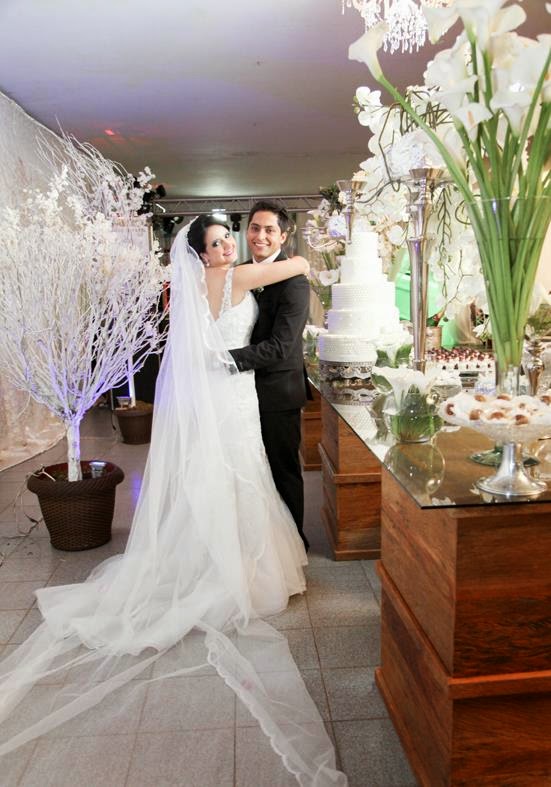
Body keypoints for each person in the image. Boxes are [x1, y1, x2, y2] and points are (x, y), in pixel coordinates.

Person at [0, 215, 346, 787]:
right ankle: (242, 570)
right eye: (218, 241)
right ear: (202, 254)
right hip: (231, 393)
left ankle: (217, 558)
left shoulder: (193, 287)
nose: (228, 245)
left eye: (228, 237)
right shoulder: (235, 278)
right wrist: (297, 255)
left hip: (218, 390)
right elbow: (301, 264)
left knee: (224, 475)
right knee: (241, 473)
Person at [229, 200, 311, 551]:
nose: (260, 236)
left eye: (269, 230)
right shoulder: (240, 272)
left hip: (277, 391)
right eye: (255, 228)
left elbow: (280, 346)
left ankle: (294, 545)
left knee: (282, 469)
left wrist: (226, 359)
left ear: (283, 236)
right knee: (250, 468)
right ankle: (259, 542)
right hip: (239, 390)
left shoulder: (295, 282)